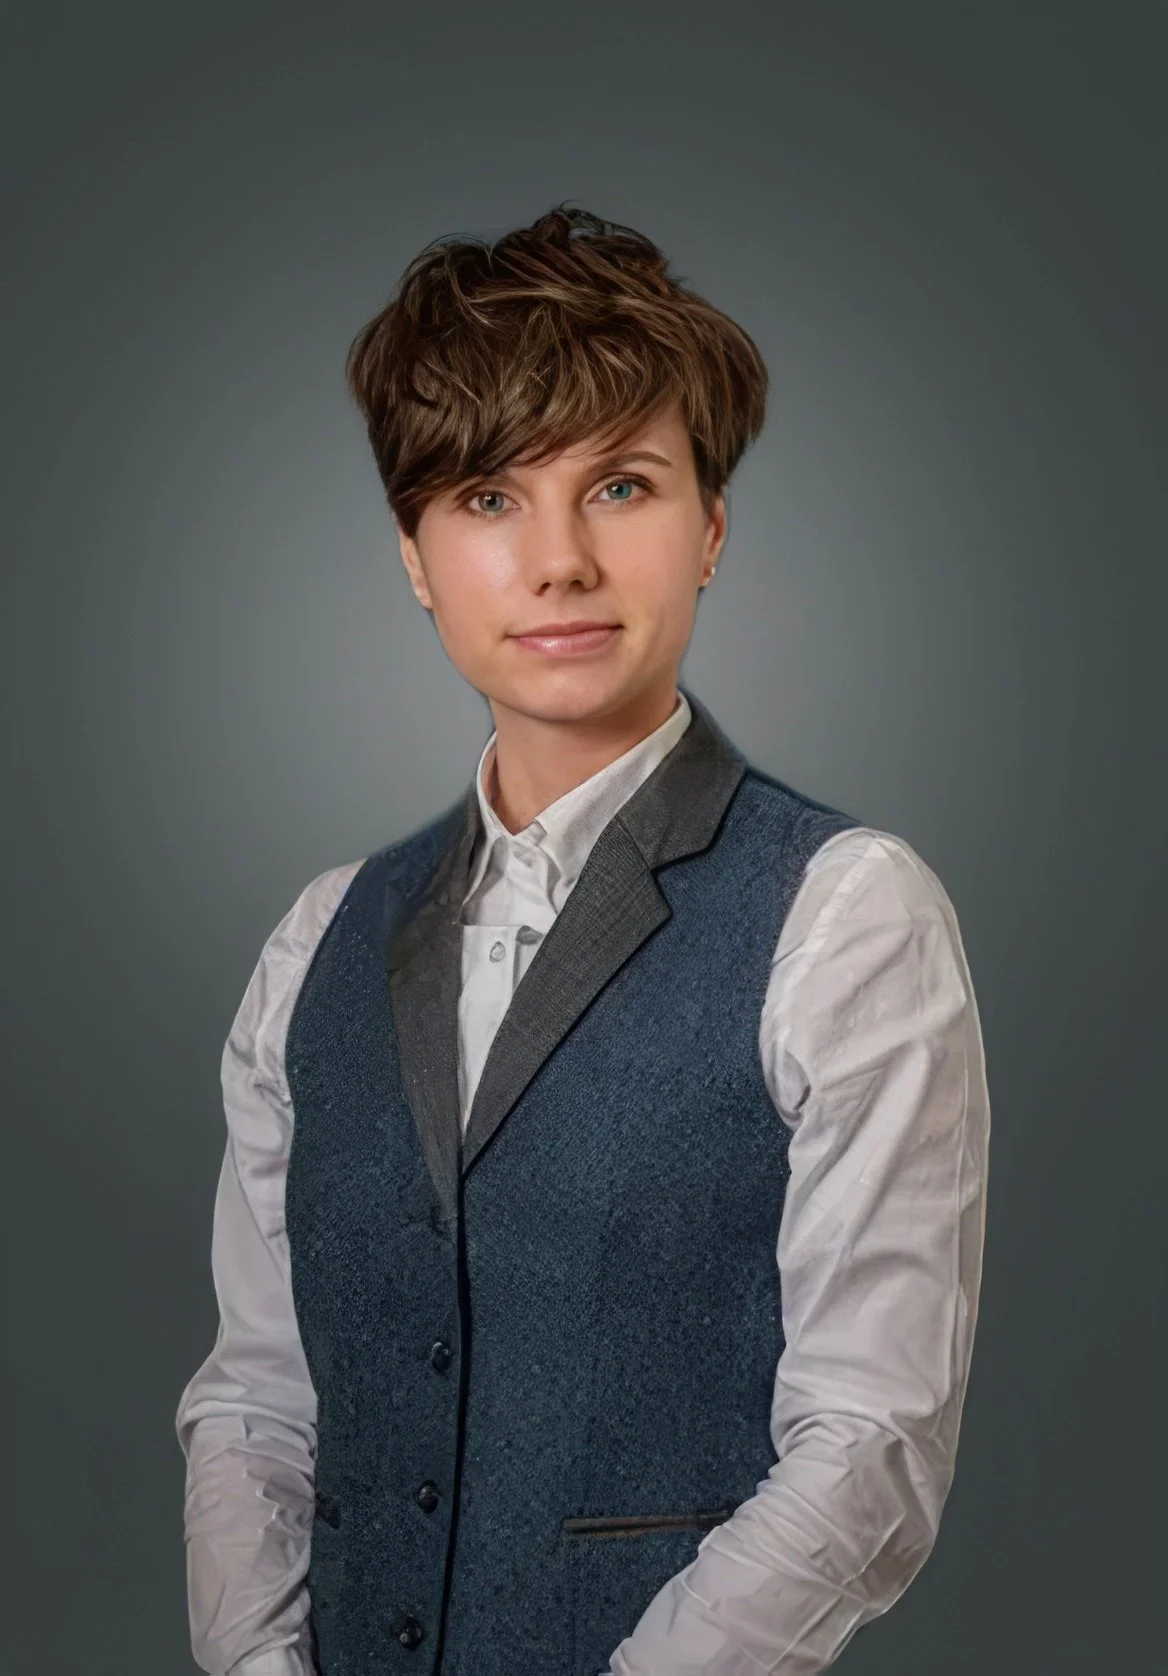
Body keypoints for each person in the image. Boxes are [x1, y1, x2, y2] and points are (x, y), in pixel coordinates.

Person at [175, 205, 990, 1676]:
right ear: (415, 557)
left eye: (620, 484)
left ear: (713, 527)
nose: (557, 561)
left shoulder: (844, 915)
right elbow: (257, 1400)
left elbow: (870, 1448)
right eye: (488, 498)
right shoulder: (317, 944)